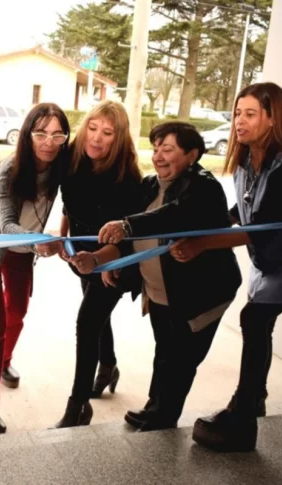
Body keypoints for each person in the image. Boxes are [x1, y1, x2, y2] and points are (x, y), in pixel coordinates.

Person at [170, 82, 282, 451]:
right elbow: (241, 212)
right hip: (269, 260)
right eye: (237, 114)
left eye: (249, 114)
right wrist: (204, 227)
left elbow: (258, 229)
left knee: (254, 320)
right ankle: (255, 396)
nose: (239, 123)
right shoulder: (246, 158)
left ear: (273, 118)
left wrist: (200, 245)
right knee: (260, 323)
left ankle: (242, 417)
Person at [98, 122, 242, 431]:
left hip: (201, 295)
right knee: (165, 353)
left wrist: (127, 225)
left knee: (181, 359)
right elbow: (132, 234)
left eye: (169, 150)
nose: (159, 157)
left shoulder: (203, 187)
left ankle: (164, 417)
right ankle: (156, 406)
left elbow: (174, 214)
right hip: (161, 291)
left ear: (192, 155)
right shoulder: (151, 184)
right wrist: (115, 262)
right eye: (156, 149)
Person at [0, 103, 70, 435]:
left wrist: (63, 238)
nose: (49, 142)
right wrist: (40, 242)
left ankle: (2, 361)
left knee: (17, 311)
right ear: (27, 134)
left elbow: (74, 202)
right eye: (40, 133)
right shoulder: (10, 168)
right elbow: (6, 224)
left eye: (57, 134)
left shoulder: (61, 165)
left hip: (23, 246)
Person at [54, 100, 144, 428]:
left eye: (107, 133)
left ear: (118, 138)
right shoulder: (74, 156)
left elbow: (125, 237)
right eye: (92, 128)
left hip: (116, 260)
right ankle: (108, 365)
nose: (96, 138)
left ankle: (78, 407)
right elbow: (69, 200)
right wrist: (63, 236)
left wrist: (103, 263)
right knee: (96, 314)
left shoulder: (128, 176)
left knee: (88, 321)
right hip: (82, 252)